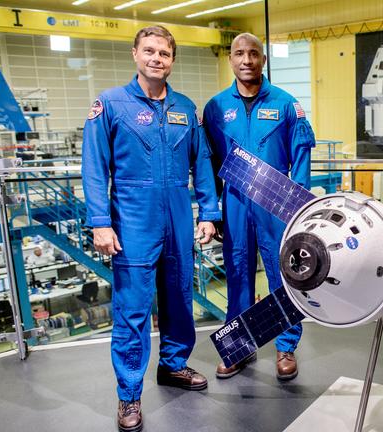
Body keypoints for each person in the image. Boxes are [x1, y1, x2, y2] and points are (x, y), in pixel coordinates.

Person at [82, 25, 220, 432]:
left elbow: (203, 165)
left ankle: (173, 365)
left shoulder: (184, 108)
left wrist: (208, 213)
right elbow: (94, 169)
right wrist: (100, 222)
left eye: (164, 52)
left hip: (178, 215)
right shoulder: (110, 104)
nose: (156, 58)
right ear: (135, 54)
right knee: (133, 310)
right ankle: (129, 395)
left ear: (172, 60)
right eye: (149, 51)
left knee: (179, 296)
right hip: (132, 221)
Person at [203, 33, 315, 381]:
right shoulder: (216, 107)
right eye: (239, 53)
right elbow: (207, 162)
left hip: (276, 203)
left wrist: (298, 205)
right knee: (237, 276)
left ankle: (285, 347)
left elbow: (301, 155)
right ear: (231, 59)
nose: (247, 60)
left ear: (263, 60)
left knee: (285, 275)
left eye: (253, 54)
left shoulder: (285, 104)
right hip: (235, 201)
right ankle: (238, 346)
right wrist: (212, 210)